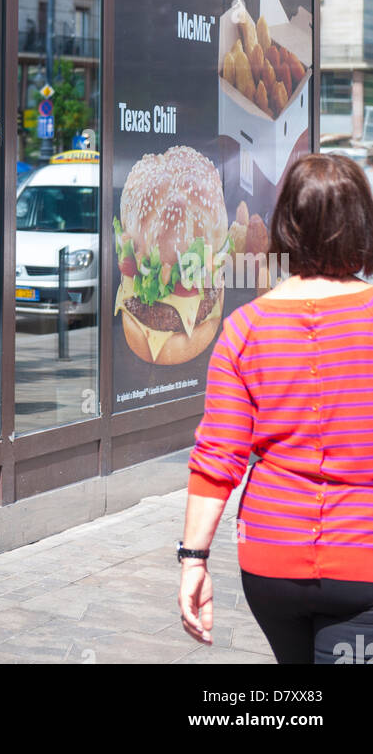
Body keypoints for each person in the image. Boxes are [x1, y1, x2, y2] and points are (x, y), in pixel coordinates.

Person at [177, 152, 373, 664]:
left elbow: (217, 458)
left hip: (269, 562)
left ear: (286, 225)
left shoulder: (243, 328)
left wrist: (193, 559)